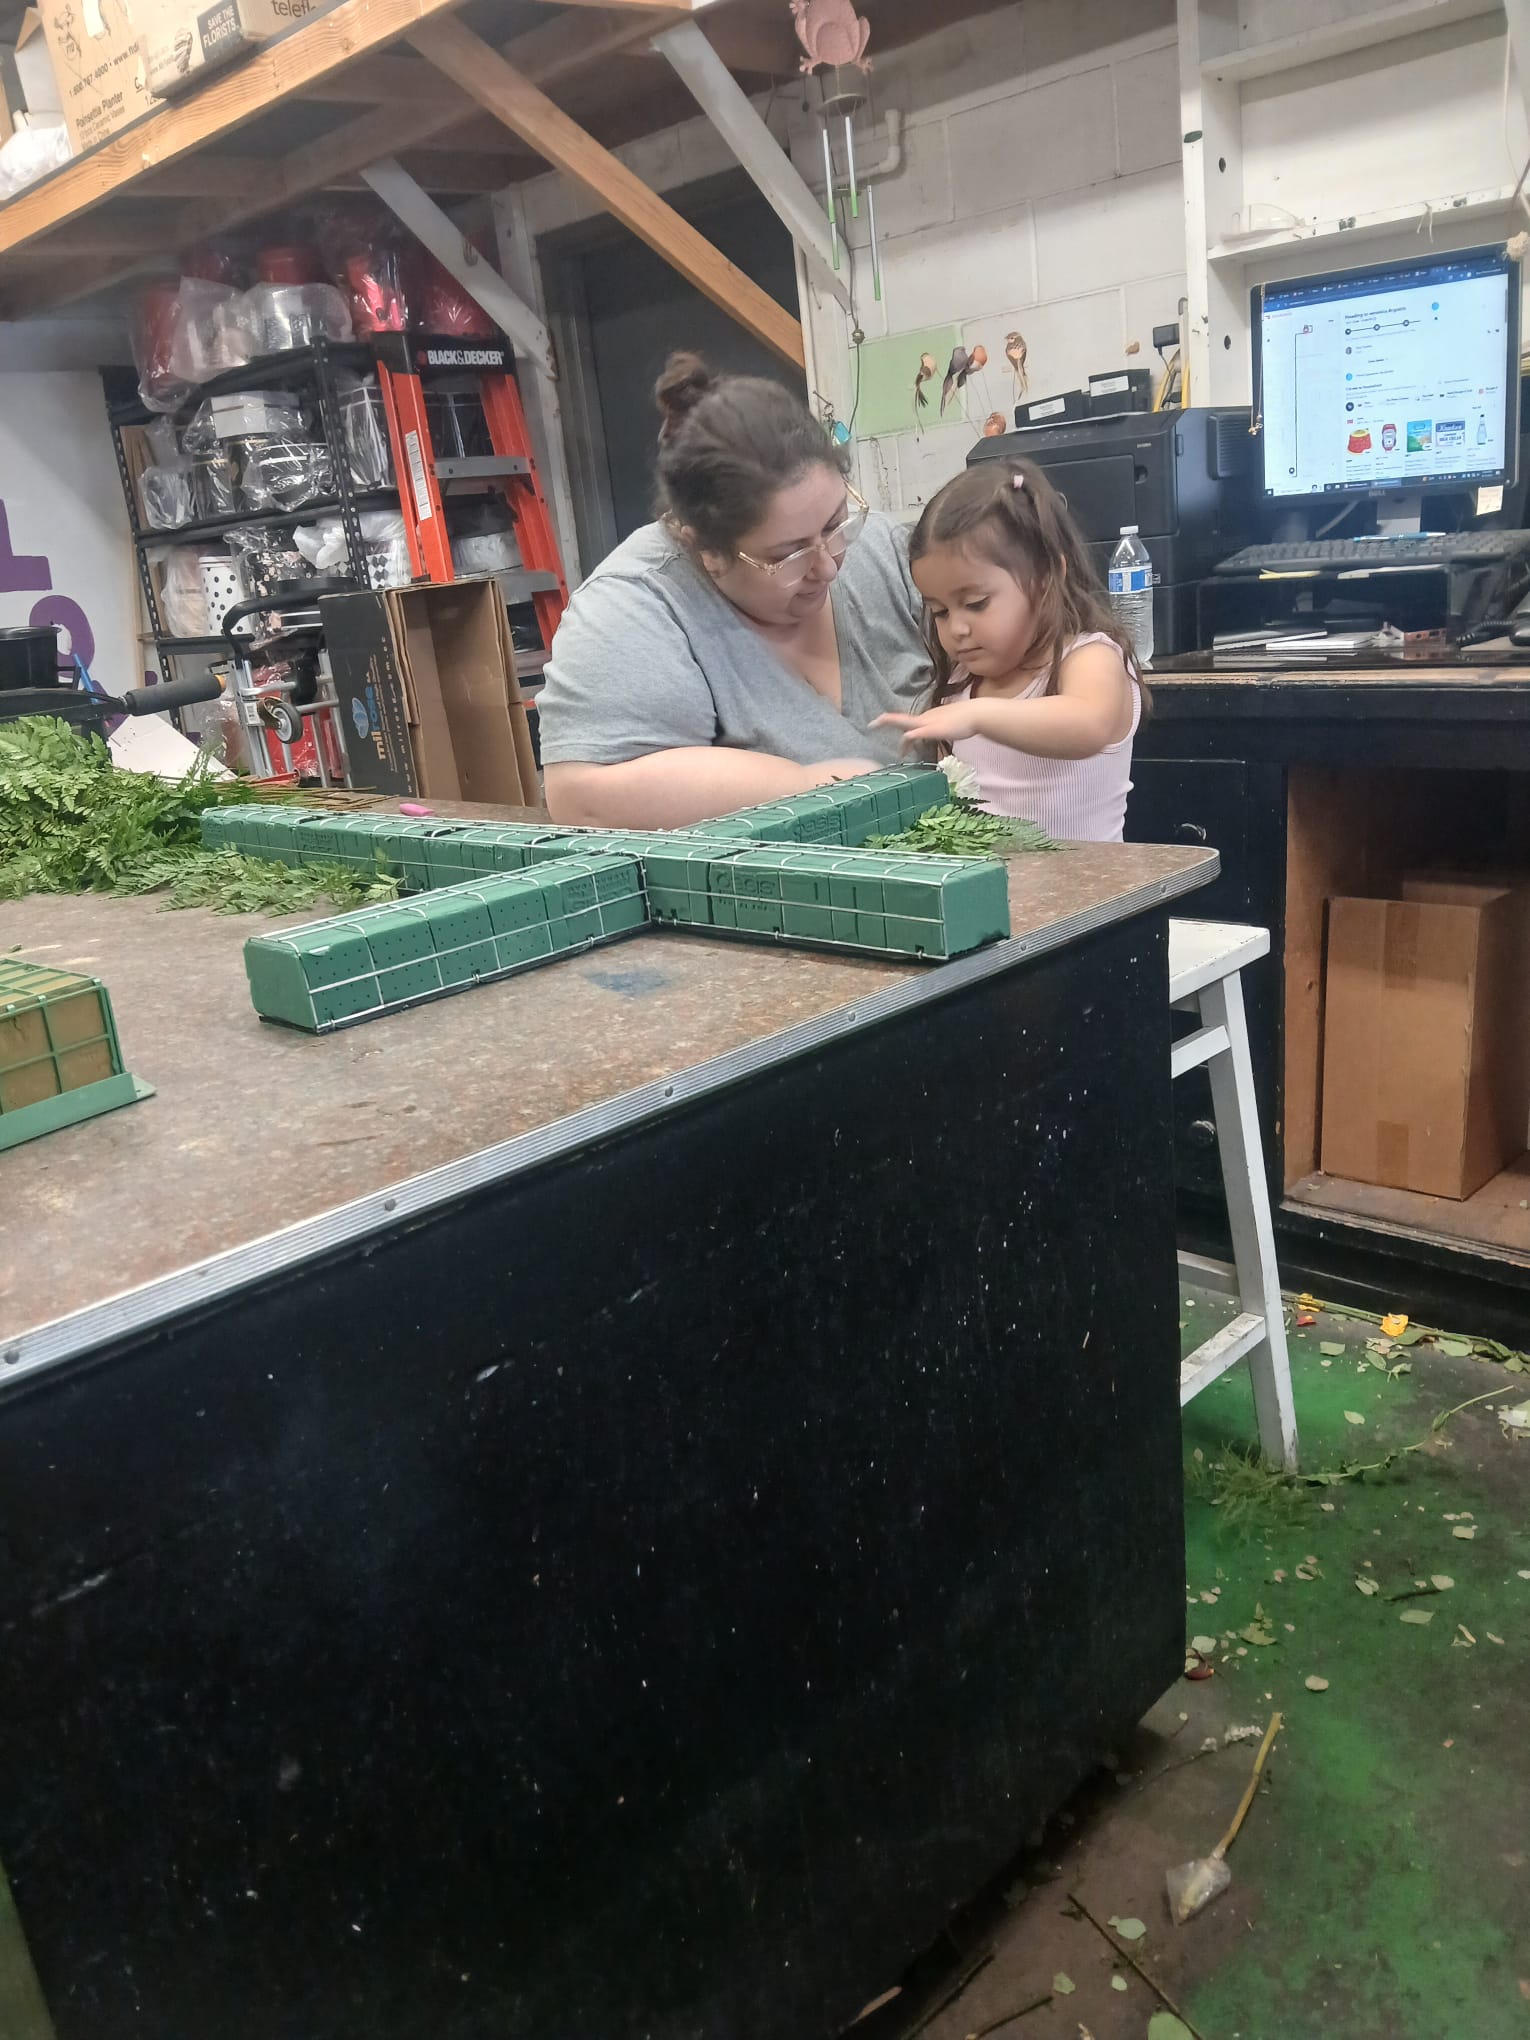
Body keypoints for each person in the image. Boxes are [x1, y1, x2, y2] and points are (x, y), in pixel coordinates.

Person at [537, 353, 932, 828]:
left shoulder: (883, 551)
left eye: (835, 523)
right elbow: (579, 796)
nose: (827, 566)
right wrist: (809, 788)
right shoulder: (634, 609)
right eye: (787, 555)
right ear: (707, 550)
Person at [873, 459, 1146, 843]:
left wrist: (979, 716)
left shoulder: (1090, 658)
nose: (957, 628)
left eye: (976, 603)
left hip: (1091, 882)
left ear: (1047, 578)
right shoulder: (963, 684)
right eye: (940, 611)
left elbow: (1089, 724)